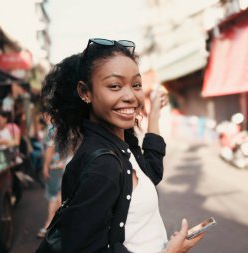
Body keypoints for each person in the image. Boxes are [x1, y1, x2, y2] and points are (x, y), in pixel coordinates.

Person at [40, 39, 204, 253]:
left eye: (136, 85)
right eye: (115, 86)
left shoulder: (122, 143)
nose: (130, 96)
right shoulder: (103, 165)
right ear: (85, 92)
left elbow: (150, 174)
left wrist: (154, 113)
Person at [36, 114, 69, 238]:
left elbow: (50, 148)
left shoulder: (52, 129)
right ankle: (55, 225)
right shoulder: (65, 127)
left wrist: (45, 166)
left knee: (54, 196)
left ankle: (48, 225)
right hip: (63, 164)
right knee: (60, 195)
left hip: (54, 166)